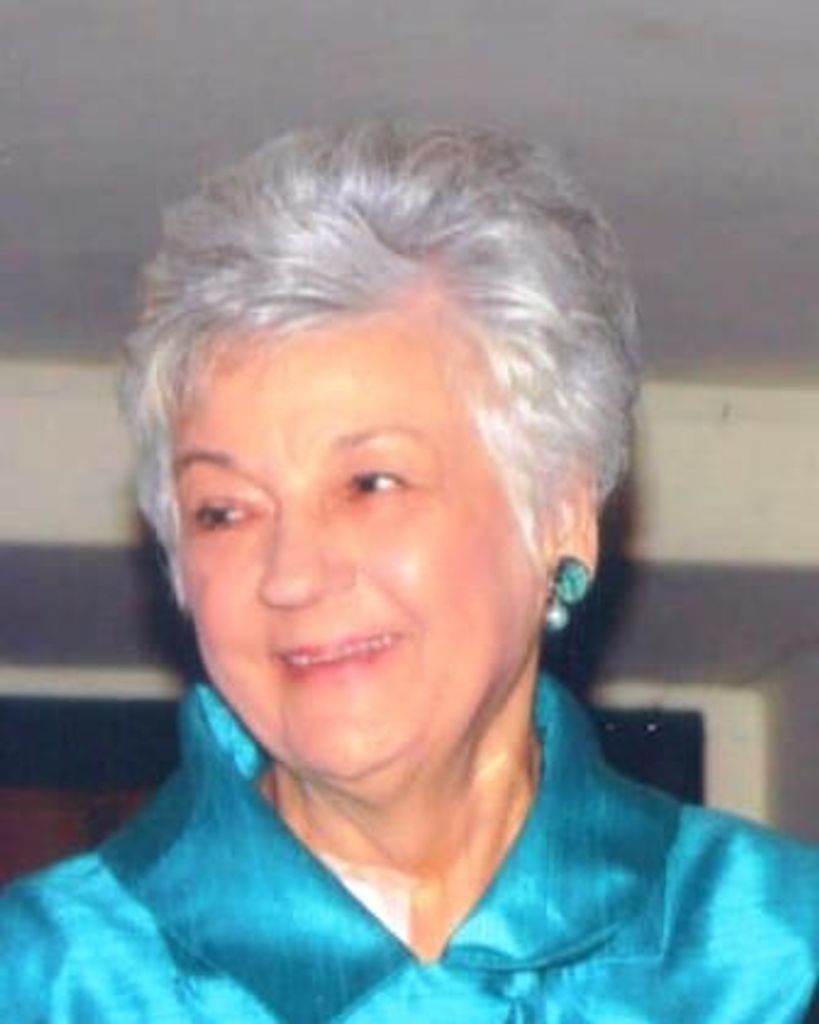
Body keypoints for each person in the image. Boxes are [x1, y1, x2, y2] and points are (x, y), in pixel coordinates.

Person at [1, 122, 818, 1022]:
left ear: (559, 515)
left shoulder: (779, 958)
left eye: (369, 484)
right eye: (224, 511)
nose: (290, 575)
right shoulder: (45, 982)